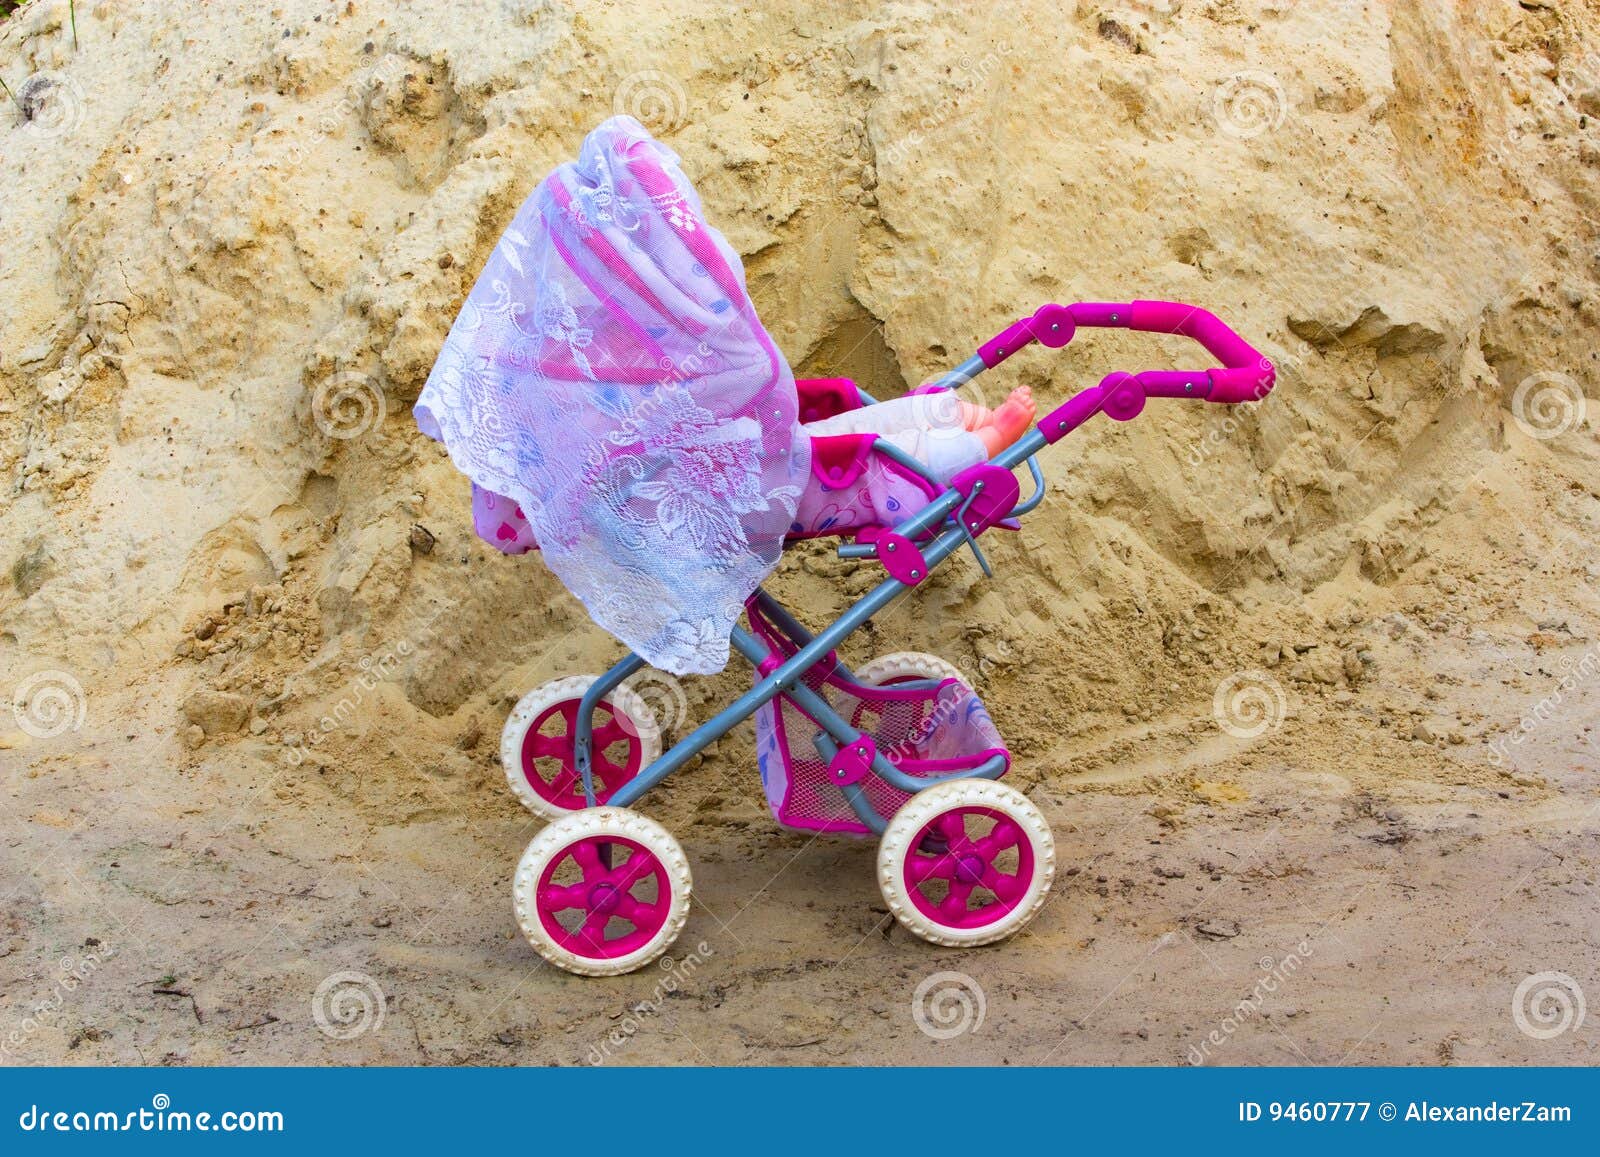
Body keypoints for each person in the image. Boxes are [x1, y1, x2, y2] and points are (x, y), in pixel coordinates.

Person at [800, 385, 1037, 482]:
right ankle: (996, 435)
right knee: (891, 458)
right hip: (789, 481)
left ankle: (976, 418)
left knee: (862, 423)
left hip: (786, 437)